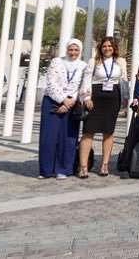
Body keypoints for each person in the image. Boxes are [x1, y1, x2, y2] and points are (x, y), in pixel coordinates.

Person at [77, 37, 129, 179]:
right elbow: (86, 79)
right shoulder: (93, 61)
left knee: (108, 132)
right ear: (100, 47)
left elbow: (124, 80)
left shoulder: (120, 61)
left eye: (110, 46)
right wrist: (86, 97)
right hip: (96, 97)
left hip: (113, 98)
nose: (107, 49)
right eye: (104, 46)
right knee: (88, 131)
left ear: (114, 48)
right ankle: (83, 166)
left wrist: (125, 97)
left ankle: (104, 165)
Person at [38, 39, 87, 179]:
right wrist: (62, 100)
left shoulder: (83, 66)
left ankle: (63, 170)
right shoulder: (56, 62)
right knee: (48, 137)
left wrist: (69, 103)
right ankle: (46, 170)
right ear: (66, 50)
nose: (73, 52)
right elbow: (51, 83)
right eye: (70, 49)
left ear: (80, 51)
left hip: (72, 104)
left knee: (68, 139)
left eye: (76, 50)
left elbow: (83, 87)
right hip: (52, 102)